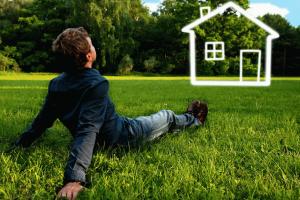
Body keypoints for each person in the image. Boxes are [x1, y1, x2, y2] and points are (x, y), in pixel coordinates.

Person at [10, 27, 208, 200]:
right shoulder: (97, 84)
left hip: (110, 130)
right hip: (124, 136)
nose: (94, 47)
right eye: (92, 45)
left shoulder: (57, 84)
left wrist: (22, 142)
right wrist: (74, 179)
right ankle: (195, 120)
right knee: (167, 116)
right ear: (89, 56)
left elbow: (42, 120)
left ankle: (188, 119)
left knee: (153, 120)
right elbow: (87, 129)